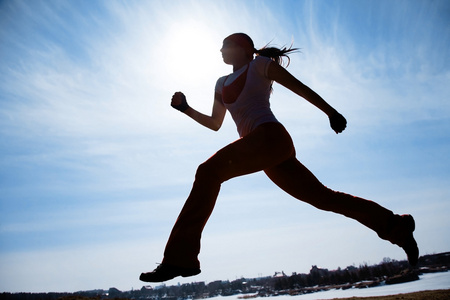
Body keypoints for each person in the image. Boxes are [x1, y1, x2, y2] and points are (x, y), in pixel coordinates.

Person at [139, 33, 418, 282]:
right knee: (323, 198)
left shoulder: (259, 65)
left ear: (244, 48)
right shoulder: (220, 82)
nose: (220, 51)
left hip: (270, 137)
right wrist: (186, 108)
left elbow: (299, 88)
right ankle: (398, 227)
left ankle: (180, 258)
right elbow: (215, 123)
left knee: (207, 172)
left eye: (226, 46)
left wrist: (330, 112)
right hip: (264, 151)